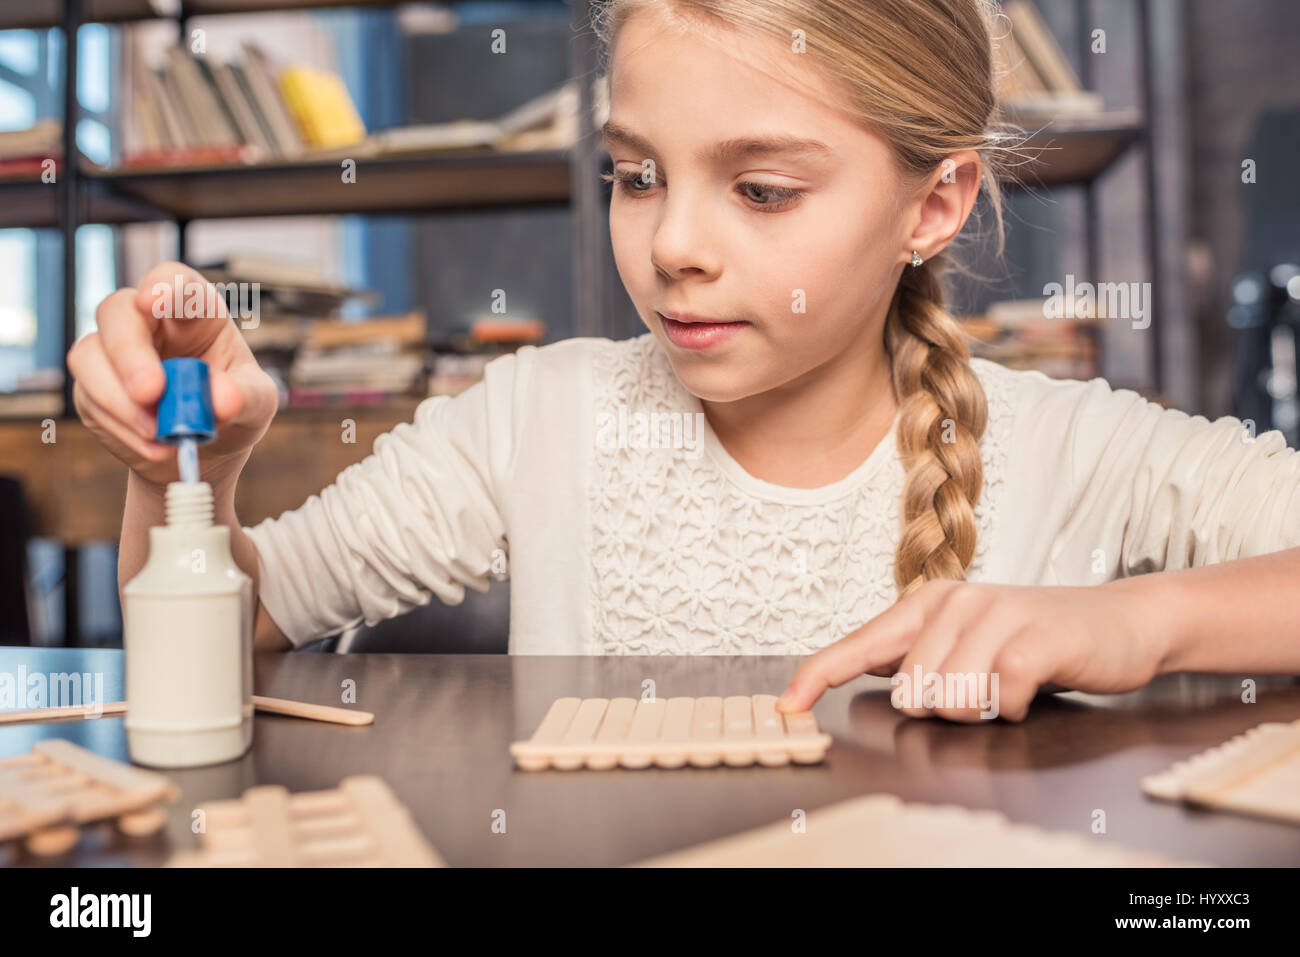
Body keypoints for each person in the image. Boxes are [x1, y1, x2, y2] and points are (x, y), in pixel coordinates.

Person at [69, 0, 1300, 723]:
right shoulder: (530, 422)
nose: (670, 246)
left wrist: (1137, 621)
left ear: (935, 206)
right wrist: (186, 473)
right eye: (636, 175)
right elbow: (216, 645)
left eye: (760, 190)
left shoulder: (1081, 451)